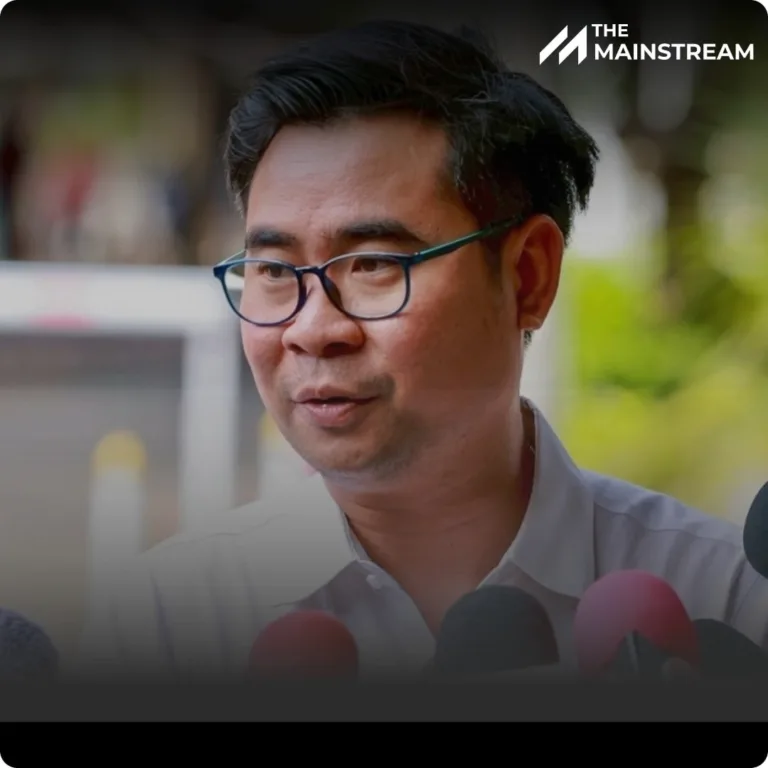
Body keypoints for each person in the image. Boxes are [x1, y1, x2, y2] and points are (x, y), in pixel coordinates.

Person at [79, 20, 768, 681]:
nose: (313, 329)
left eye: (374, 264)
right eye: (274, 271)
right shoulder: (163, 626)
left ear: (528, 277)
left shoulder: (724, 601)